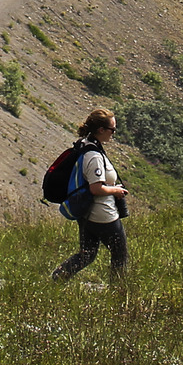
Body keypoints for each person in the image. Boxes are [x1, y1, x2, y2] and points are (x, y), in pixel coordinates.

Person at [50, 107, 130, 289]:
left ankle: (57, 279)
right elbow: (96, 188)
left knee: (87, 254)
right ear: (101, 130)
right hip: (103, 214)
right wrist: (116, 191)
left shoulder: (85, 145)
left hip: (86, 214)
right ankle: (119, 292)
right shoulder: (93, 155)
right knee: (120, 255)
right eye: (112, 130)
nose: (113, 134)